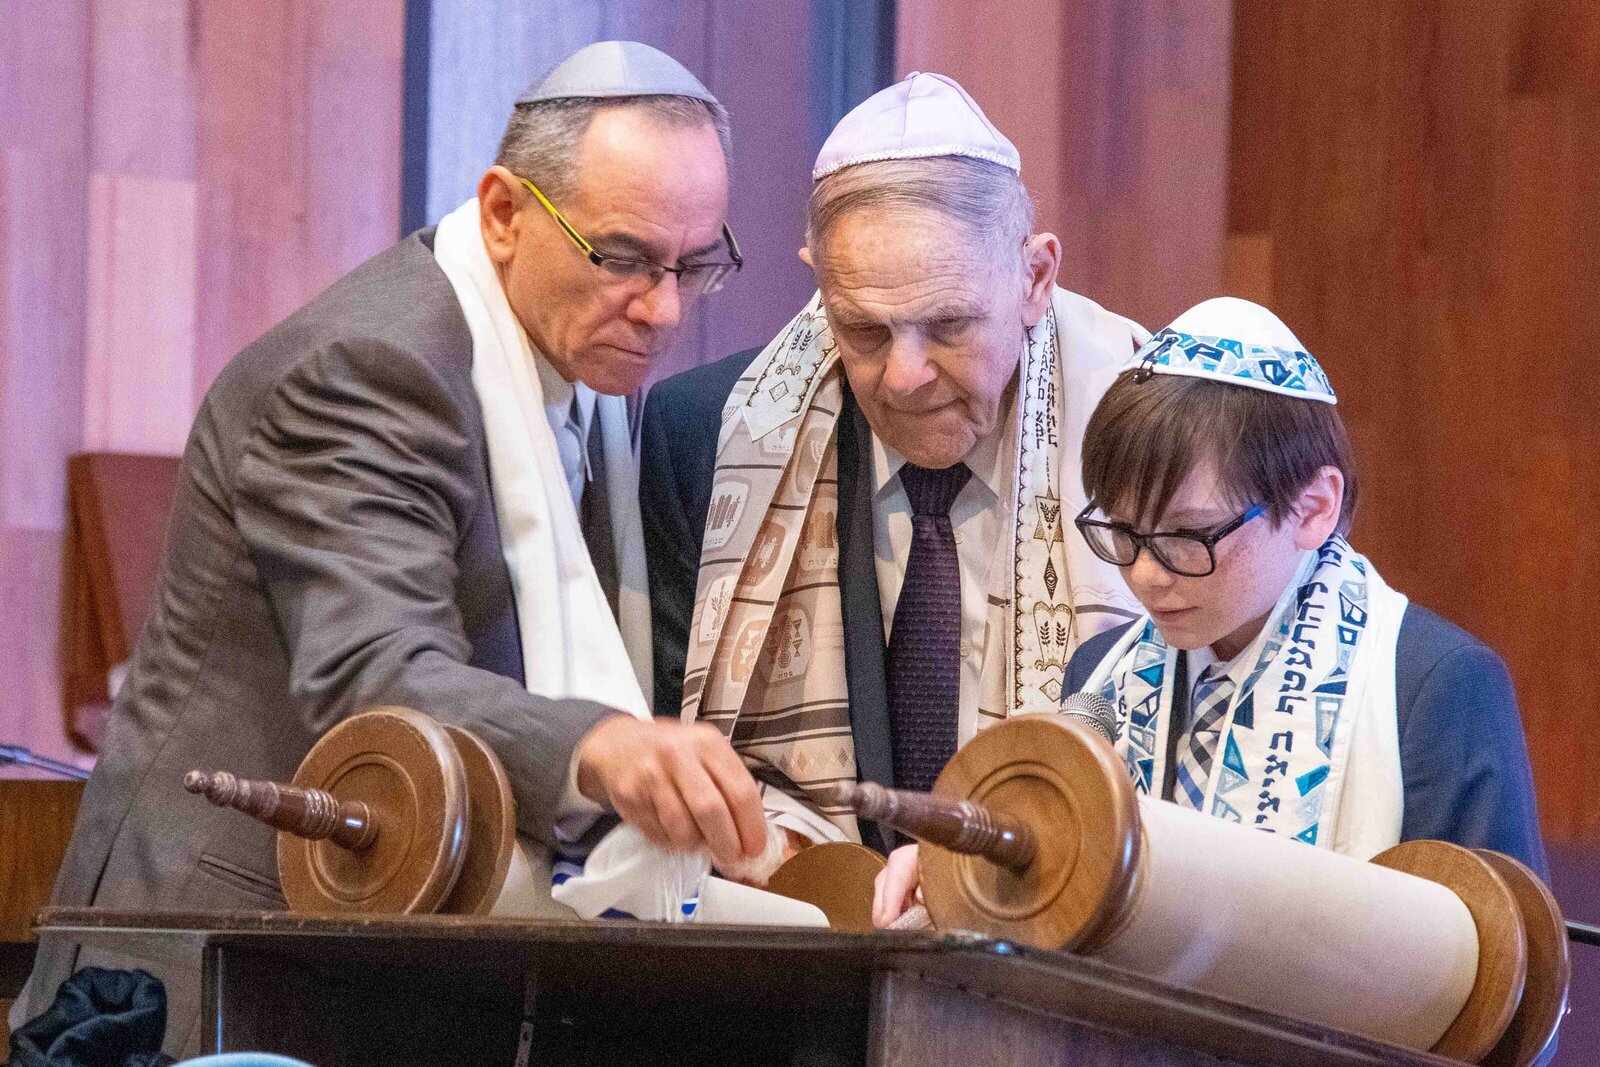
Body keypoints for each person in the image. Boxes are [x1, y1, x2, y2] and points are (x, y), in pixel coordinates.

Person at [17, 41, 766, 1053]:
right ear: (503, 211)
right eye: (624, 256)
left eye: (694, 264)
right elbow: (372, 675)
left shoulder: (567, 376)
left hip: (379, 958)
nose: (664, 307)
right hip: (219, 969)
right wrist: (598, 744)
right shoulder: (367, 368)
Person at [872, 296, 1546, 926]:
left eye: (1186, 536)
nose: (1142, 572)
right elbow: (1047, 837)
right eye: (1125, 532)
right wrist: (956, 865)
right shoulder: (1101, 673)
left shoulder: (1434, 689)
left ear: (1314, 507)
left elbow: (1502, 985)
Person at [642, 72, 1147, 856]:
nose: (905, 375)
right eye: (866, 331)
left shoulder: (1159, 438)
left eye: (948, 324)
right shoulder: (705, 435)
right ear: (818, 278)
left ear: (1035, 277)